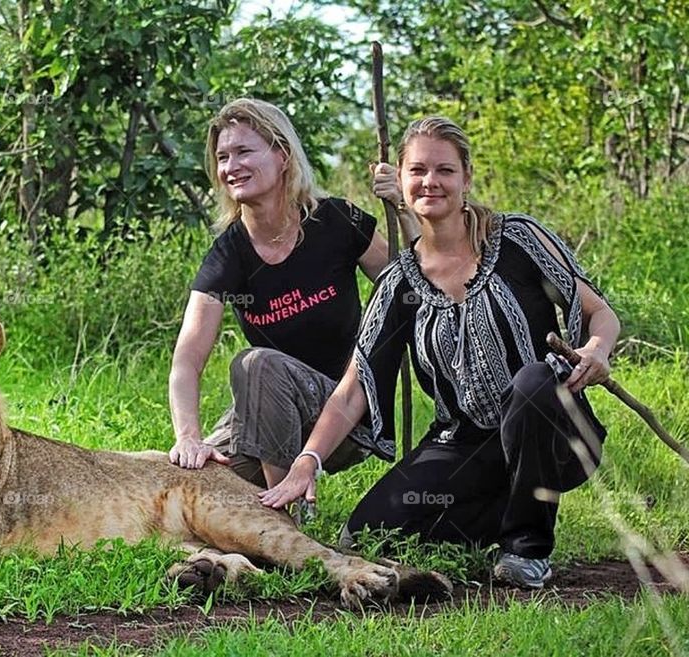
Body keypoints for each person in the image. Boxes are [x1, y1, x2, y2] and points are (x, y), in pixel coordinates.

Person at [259, 116, 620, 589]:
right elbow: (353, 389)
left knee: (532, 382)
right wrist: (308, 460)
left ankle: (527, 549)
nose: (431, 182)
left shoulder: (517, 239)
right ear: (401, 183)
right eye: (418, 171)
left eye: (445, 171)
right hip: (465, 442)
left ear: (466, 178)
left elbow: (600, 313)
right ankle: (500, 508)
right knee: (368, 535)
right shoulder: (399, 283)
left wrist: (596, 349)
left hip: (556, 430)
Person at [168, 97, 407, 490]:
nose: (231, 167)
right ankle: (253, 512)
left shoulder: (335, 221)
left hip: (344, 411)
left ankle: (285, 516)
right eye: (223, 157)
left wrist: (404, 205)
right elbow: (186, 362)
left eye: (244, 151)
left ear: (282, 156)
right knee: (189, 483)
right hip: (265, 417)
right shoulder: (229, 251)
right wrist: (188, 437)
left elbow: (409, 285)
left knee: (257, 364)